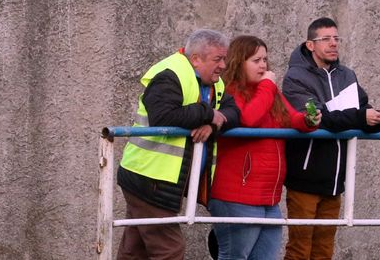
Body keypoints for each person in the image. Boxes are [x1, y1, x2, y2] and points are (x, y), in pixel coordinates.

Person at [115, 29, 240, 260]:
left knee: (135, 250)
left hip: (154, 177)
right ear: (196, 59)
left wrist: (212, 125)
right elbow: (162, 116)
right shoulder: (169, 75)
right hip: (150, 177)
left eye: (225, 58)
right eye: (218, 59)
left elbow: (233, 112)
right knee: (170, 250)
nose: (223, 65)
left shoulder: (215, 83)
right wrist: (208, 113)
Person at [281, 18, 380, 260]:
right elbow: (320, 118)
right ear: (310, 45)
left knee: (324, 250)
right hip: (305, 178)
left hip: (335, 180)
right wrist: (362, 117)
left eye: (336, 38)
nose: (333, 44)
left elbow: (361, 112)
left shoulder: (347, 75)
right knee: (299, 250)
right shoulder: (295, 78)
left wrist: (379, 120)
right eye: (326, 39)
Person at [208, 35, 319, 260]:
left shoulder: (268, 92)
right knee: (234, 256)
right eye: (256, 60)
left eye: (265, 60)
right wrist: (268, 86)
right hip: (237, 196)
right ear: (239, 62)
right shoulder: (229, 91)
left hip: (269, 197)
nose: (263, 65)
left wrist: (308, 121)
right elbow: (248, 118)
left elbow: (291, 117)